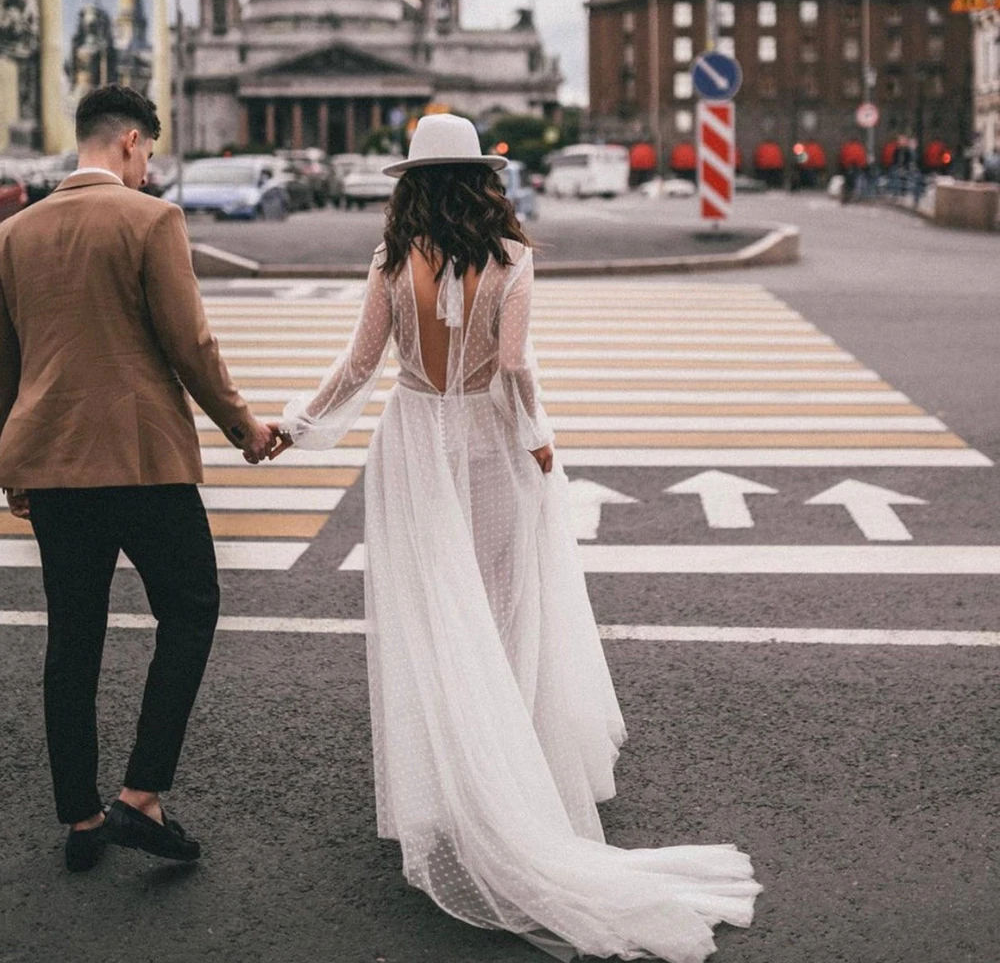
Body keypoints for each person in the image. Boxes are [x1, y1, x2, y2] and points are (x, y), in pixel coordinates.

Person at [273, 113, 762, 961]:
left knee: (435, 612)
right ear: (484, 181)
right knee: (503, 607)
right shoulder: (511, 260)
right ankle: (514, 773)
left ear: (411, 185)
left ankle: (455, 783)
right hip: (492, 441)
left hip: (415, 443)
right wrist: (537, 435)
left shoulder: (390, 261)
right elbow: (514, 365)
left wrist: (295, 424)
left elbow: (357, 368)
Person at [0, 84, 277, 872]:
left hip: (51, 463)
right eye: (150, 153)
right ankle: (141, 795)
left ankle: (81, 820)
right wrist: (244, 427)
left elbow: (5, 362)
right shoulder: (151, 221)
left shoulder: (13, 234)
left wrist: (11, 462)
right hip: (145, 462)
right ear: (128, 141)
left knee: (73, 634)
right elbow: (189, 343)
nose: (150, 169)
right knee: (190, 612)